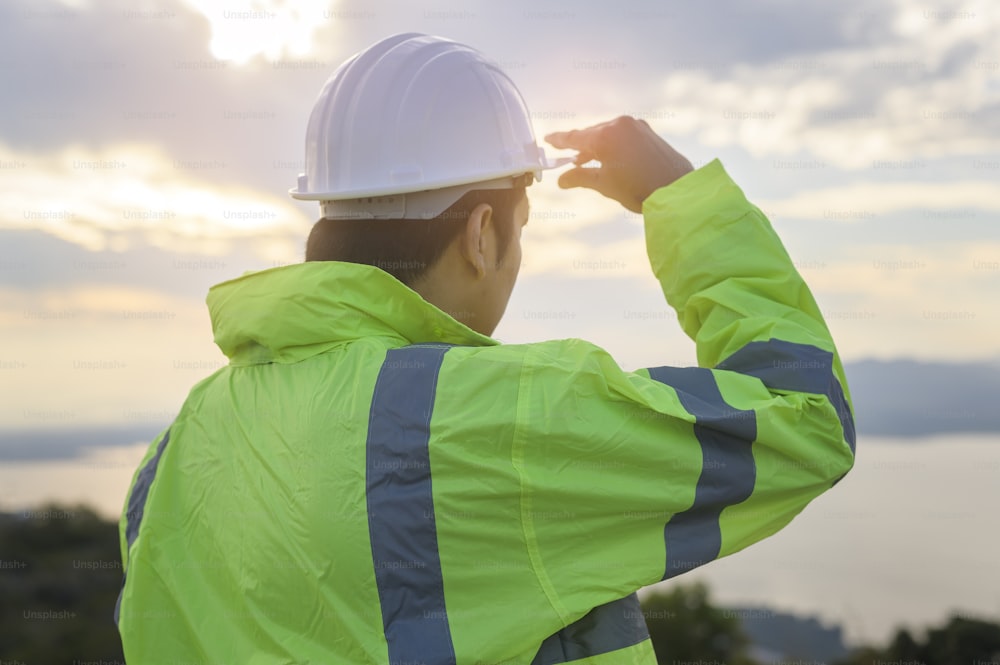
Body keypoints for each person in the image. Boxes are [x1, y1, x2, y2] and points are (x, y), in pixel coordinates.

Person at [115, 33, 855, 665]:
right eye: (520, 227)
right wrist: (682, 199)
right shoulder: (490, 419)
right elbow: (807, 420)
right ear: (480, 233)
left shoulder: (173, 455)